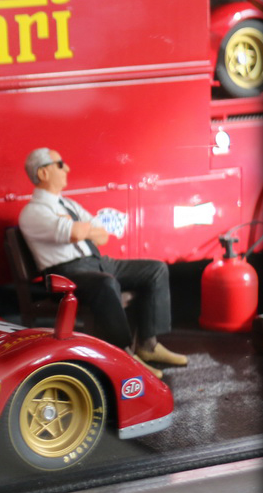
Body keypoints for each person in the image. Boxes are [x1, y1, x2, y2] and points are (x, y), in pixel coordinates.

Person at [18, 147, 187, 378]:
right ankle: (124, 353)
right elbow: (76, 233)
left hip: (97, 263)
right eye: (60, 164)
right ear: (43, 173)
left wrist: (80, 228)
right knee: (105, 284)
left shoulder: (68, 205)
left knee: (155, 270)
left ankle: (148, 345)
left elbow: (102, 235)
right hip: (67, 273)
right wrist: (80, 229)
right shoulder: (32, 212)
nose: (67, 169)